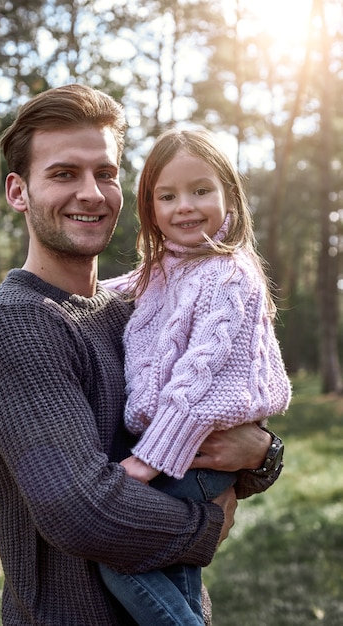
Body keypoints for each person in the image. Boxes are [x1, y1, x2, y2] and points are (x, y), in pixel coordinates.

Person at [0, 84, 284, 626]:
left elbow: (214, 423)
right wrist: (206, 526)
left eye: (105, 174)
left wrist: (261, 451)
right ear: (18, 192)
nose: (91, 193)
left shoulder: (136, 308)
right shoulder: (15, 324)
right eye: (64, 174)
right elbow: (83, 513)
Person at [99, 127, 291, 625]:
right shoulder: (165, 268)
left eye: (200, 190)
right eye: (168, 196)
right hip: (178, 457)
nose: (185, 206)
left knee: (123, 560)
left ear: (229, 194)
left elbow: (196, 391)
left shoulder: (228, 275)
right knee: (179, 581)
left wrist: (145, 465)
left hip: (193, 460)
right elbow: (106, 291)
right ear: (151, 207)